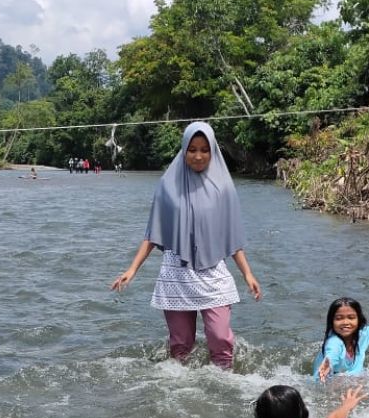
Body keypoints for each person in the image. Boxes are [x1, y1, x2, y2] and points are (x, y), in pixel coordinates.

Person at [110, 121, 262, 369]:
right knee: (180, 345)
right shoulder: (167, 186)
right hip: (176, 274)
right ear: (183, 150)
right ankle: (180, 390)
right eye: (192, 149)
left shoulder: (224, 188)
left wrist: (248, 274)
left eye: (204, 149)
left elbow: (231, 237)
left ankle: (224, 386)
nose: (198, 156)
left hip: (212, 271)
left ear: (213, 151)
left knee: (221, 338)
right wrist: (132, 269)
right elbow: (153, 233)